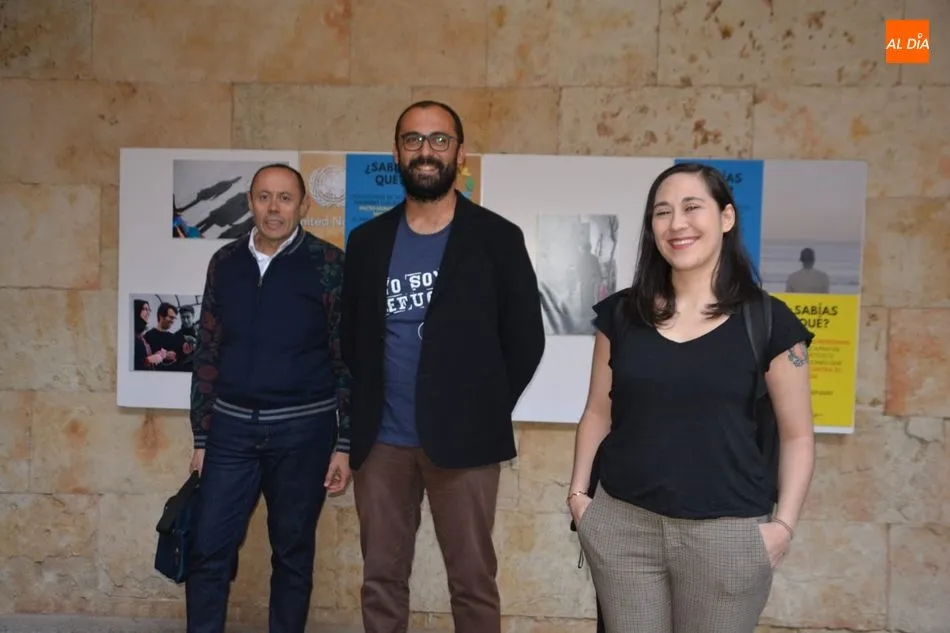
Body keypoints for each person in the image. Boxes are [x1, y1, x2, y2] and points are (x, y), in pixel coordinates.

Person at [567, 162, 816, 633]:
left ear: (726, 217)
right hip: (624, 529)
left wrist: (783, 526)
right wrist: (580, 497)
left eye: (692, 207)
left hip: (727, 536)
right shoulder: (622, 315)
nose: (676, 223)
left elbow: (798, 435)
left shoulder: (771, 323)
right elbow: (598, 411)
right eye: (662, 212)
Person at [340, 100, 546, 633]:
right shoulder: (366, 243)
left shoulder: (497, 238)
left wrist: (483, 407)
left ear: (460, 152)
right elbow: (351, 339)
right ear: (396, 153)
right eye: (413, 140)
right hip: (382, 443)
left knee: (473, 582)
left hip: (467, 445)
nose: (425, 151)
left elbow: (525, 339)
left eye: (439, 140)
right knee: (381, 580)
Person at [185, 163, 352, 633]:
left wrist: (345, 444)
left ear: (303, 205)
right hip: (231, 432)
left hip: (304, 432)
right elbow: (207, 349)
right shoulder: (225, 262)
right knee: (208, 549)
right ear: (250, 203)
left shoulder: (329, 264)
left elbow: (347, 358)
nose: (273, 208)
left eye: (284, 198)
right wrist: (202, 436)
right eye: (263, 197)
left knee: (293, 555)